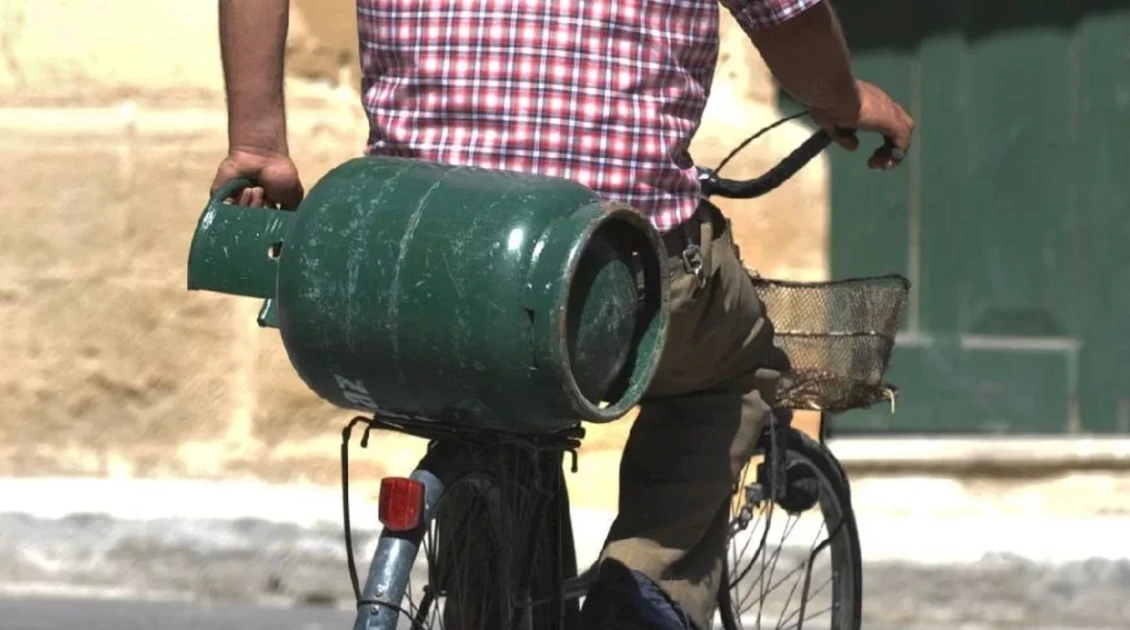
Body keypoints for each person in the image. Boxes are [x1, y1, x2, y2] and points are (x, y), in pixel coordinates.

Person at [210, 0, 914, 627]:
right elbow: (789, 19)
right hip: (605, 256)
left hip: (408, 247)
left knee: (477, 379)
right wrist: (845, 99)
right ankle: (643, 593)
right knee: (738, 364)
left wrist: (258, 144)